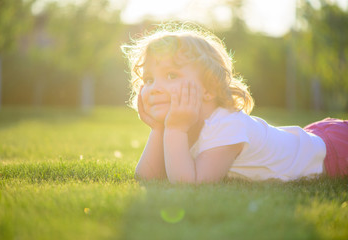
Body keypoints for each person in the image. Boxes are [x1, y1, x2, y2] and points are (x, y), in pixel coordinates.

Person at [121, 23, 348, 184]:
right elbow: (147, 178)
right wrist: (159, 130)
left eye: (171, 75)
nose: (154, 87)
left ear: (208, 89)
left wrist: (174, 129)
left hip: (335, 152)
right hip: (313, 138)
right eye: (149, 79)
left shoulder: (227, 124)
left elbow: (189, 186)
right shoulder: (182, 124)